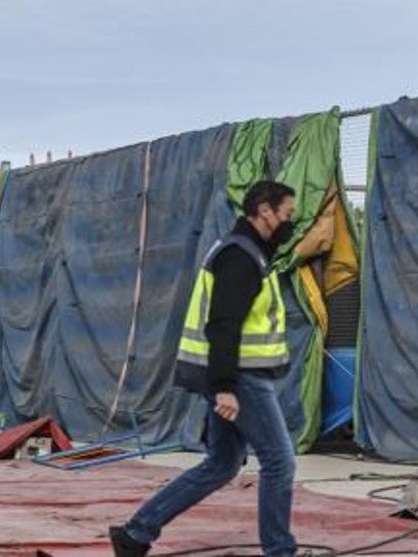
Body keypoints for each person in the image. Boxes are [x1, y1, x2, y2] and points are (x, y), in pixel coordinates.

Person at [111, 180, 299, 557]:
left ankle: (136, 534)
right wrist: (225, 386)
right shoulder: (240, 257)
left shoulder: (247, 252)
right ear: (265, 211)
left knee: (222, 463)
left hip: (234, 375)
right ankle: (280, 551)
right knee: (279, 461)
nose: (291, 221)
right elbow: (223, 325)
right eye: (287, 214)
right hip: (241, 377)